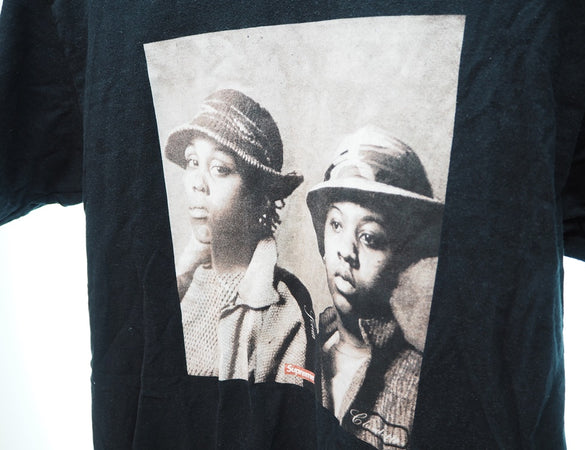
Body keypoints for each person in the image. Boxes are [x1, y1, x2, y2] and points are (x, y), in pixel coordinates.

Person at [164, 89, 315, 385]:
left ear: (259, 197)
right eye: (193, 161)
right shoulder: (180, 285)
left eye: (220, 169)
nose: (198, 183)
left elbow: (289, 408)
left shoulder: (284, 307)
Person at [306, 125, 445, 449]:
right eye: (336, 224)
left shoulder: (425, 378)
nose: (346, 251)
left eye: (369, 237)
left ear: (405, 255)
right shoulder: (298, 345)